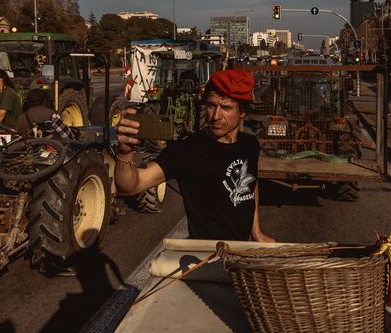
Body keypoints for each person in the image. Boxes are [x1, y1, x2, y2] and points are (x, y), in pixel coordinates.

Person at [114, 69, 274, 241]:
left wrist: (256, 232)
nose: (216, 116)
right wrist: (124, 154)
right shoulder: (187, 150)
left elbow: (251, 187)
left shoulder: (249, 145)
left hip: (240, 251)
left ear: (242, 112)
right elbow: (131, 185)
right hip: (205, 256)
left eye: (226, 107)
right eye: (212, 105)